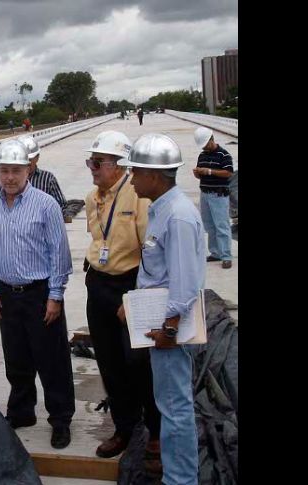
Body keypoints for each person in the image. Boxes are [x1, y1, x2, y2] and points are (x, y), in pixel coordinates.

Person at [117, 133, 205, 485]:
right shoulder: (162, 209)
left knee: (175, 407)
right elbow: (158, 272)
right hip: (160, 325)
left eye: (135, 172)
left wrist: (169, 329)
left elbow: (184, 282)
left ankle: (181, 479)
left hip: (171, 330)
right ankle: (177, 472)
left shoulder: (179, 216)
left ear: (154, 176)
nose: (131, 178)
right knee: (168, 404)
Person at [0, 139, 75, 449]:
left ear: (28, 170)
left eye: (16, 171)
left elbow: (59, 254)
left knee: (52, 360)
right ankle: (22, 412)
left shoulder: (45, 204)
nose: (10, 177)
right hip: (7, 294)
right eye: (4, 171)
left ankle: (60, 419)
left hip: (39, 293)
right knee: (17, 358)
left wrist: (55, 295)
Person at [82, 131, 162, 470]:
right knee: (110, 364)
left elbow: (152, 255)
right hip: (98, 285)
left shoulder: (138, 198)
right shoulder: (92, 198)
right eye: (91, 162)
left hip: (130, 285)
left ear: (118, 165)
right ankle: (125, 429)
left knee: (139, 365)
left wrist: (136, 298)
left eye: (98, 162)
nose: (92, 168)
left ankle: (155, 435)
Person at [192, 127, 234, 269]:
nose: (203, 147)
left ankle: (226, 256)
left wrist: (209, 171)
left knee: (221, 226)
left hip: (218, 195)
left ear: (211, 139)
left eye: (205, 144)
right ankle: (215, 252)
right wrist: (198, 173)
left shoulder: (224, 155)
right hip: (205, 194)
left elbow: (228, 173)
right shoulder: (202, 155)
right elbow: (200, 174)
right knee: (209, 225)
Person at [17, 136, 73, 223]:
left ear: (37, 158)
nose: (26, 163)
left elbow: (62, 206)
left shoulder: (48, 179)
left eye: (29, 159)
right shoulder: (9, 181)